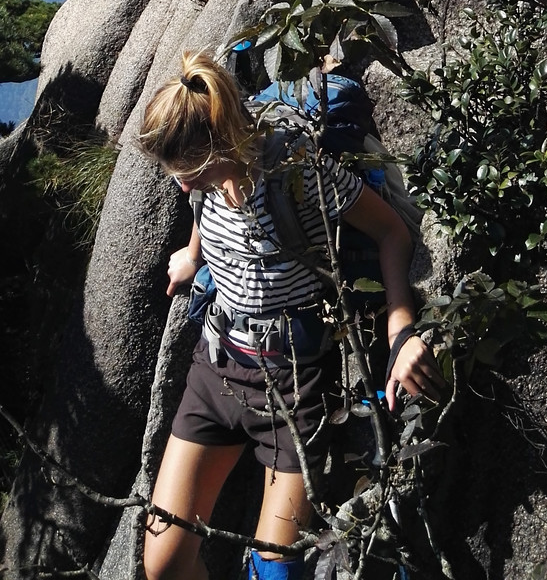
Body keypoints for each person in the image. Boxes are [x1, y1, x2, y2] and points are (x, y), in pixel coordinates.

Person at [139, 49, 442, 580]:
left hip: (292, 384)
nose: (183, 185)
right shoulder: (203, 178)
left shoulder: (295, 169)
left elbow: (391, 230)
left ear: (220, 144)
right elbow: (198, 202)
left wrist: (400, 330)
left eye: (189, 172)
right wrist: (194, 254)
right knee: (162, 564)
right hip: (217, 367)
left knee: (276, 571)